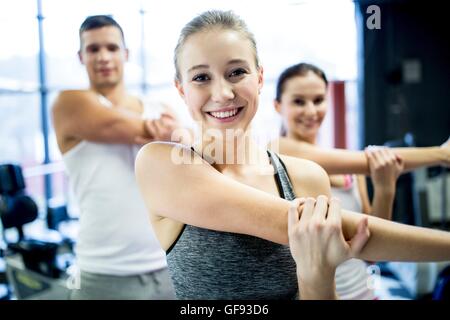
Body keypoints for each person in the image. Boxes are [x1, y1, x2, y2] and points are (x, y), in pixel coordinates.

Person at [135, 10, 450, 300]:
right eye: (201, 77)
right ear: (181, 90)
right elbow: (335, 226)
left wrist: (318, 274)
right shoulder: (161, 165)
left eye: (236, 72)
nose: (222, 94)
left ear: (259, 79)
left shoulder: (307, 176)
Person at [52, 15, 178, 299]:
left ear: (126, 54)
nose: (103, 57)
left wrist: (174, 132)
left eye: (111, 47)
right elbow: (118, 127)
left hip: (167, 266)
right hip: (102, 275)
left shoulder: (159, 106)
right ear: (81, 57)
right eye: (93, 49)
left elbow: (188, 157)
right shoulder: (69, 104)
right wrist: (160, 130)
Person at [274, 62, 407, 299]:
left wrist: (385, 189)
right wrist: (441, 154)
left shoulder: (349, 166)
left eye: (318, 100)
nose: (311, 111)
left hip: (366, 293)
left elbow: (371, 251)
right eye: (298, 101)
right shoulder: (276, 158)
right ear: (278, 106)